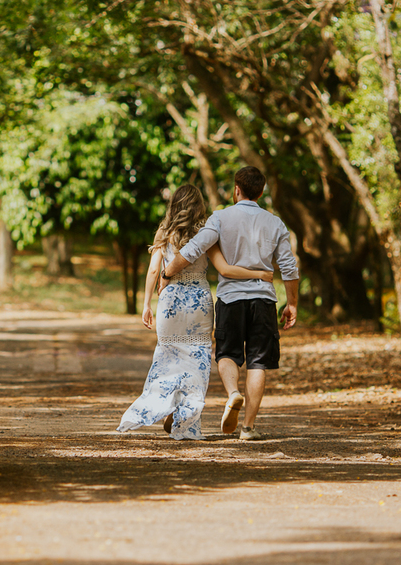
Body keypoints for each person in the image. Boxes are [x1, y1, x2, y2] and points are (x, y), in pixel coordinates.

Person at [117, 185, 272, 440]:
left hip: (171, 301)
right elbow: (223, 267)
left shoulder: (164, 231)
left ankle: (168, 406)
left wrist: (146, 304)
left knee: (168, 358)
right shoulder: (206, 232)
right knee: (196, 358)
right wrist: (258, 273)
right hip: (199, 301)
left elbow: (154, 270)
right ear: (199, 205)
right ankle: (186, 417)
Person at [159, 166, 299, 441]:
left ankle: (233, 393)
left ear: (237, 189)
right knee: (258, 363)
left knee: (227, 354)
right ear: (261, 192)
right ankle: (247, 427)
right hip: (263, 300)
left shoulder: (220, 218)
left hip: (231, 299)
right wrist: (291, 303)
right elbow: (289, 266)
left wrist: (166, 274)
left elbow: (192, 250)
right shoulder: (275, 223)